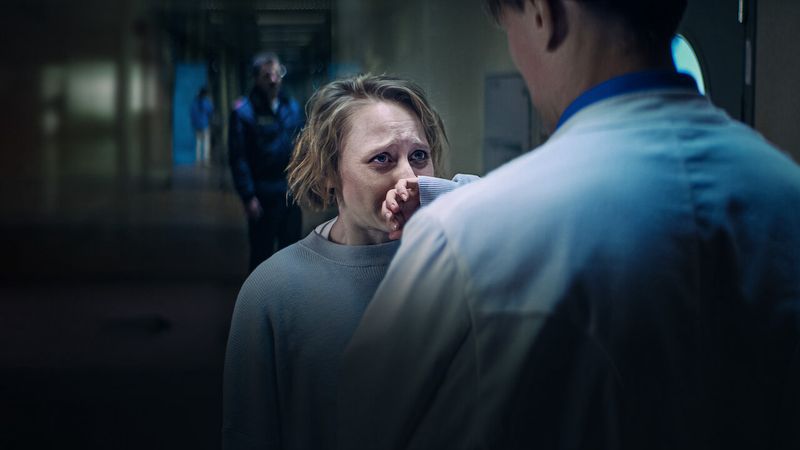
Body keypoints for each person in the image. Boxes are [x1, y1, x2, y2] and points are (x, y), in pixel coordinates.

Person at [338, 1, 800, 449]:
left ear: (544, 13)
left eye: (511, 30)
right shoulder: (785, 192)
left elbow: (353, 427)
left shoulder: (458, 235)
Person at [222, 74, 475, 450]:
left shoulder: (462, 265)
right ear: (329, 174)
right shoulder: (272, 292)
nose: (409, 178)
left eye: (419, 156)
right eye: (382, 159)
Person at [228, 52, 304, 272]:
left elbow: (301, 145)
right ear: (256, 78)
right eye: (266, 75)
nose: (273, 80)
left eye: (277, 74)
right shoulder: (244, 112)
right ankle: (260, 293)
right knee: (261, 256)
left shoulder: (291, 107)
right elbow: (238, 158)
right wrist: (248, 196)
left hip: (289, 193)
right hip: (262, 196)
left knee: (292, 254)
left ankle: (288, 293)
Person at [190, 86, 214, 165]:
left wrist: (194, 123)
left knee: (198, 143)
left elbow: (192, 115)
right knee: (206, 143)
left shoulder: (194, 103)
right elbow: (211, 111)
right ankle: (206, 160)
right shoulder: (206, 102)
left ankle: (198, 160)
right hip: (205, 125)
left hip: (197, 126)